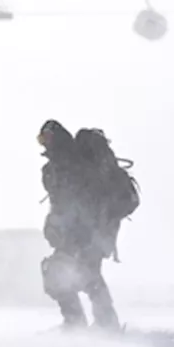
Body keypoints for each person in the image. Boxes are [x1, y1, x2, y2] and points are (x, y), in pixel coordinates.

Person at [37, 120, 138, 330]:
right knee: (68, 273)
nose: (44, 144)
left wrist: (84, 232)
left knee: (83, 273)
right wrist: (53, 224)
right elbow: (60, 203)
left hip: (92, 231)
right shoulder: (55, 168)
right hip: (79, 233)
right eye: (41, 140)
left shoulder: (74, 166)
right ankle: (90, 323)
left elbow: (82, 201)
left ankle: (98, 324)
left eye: (46, 138)